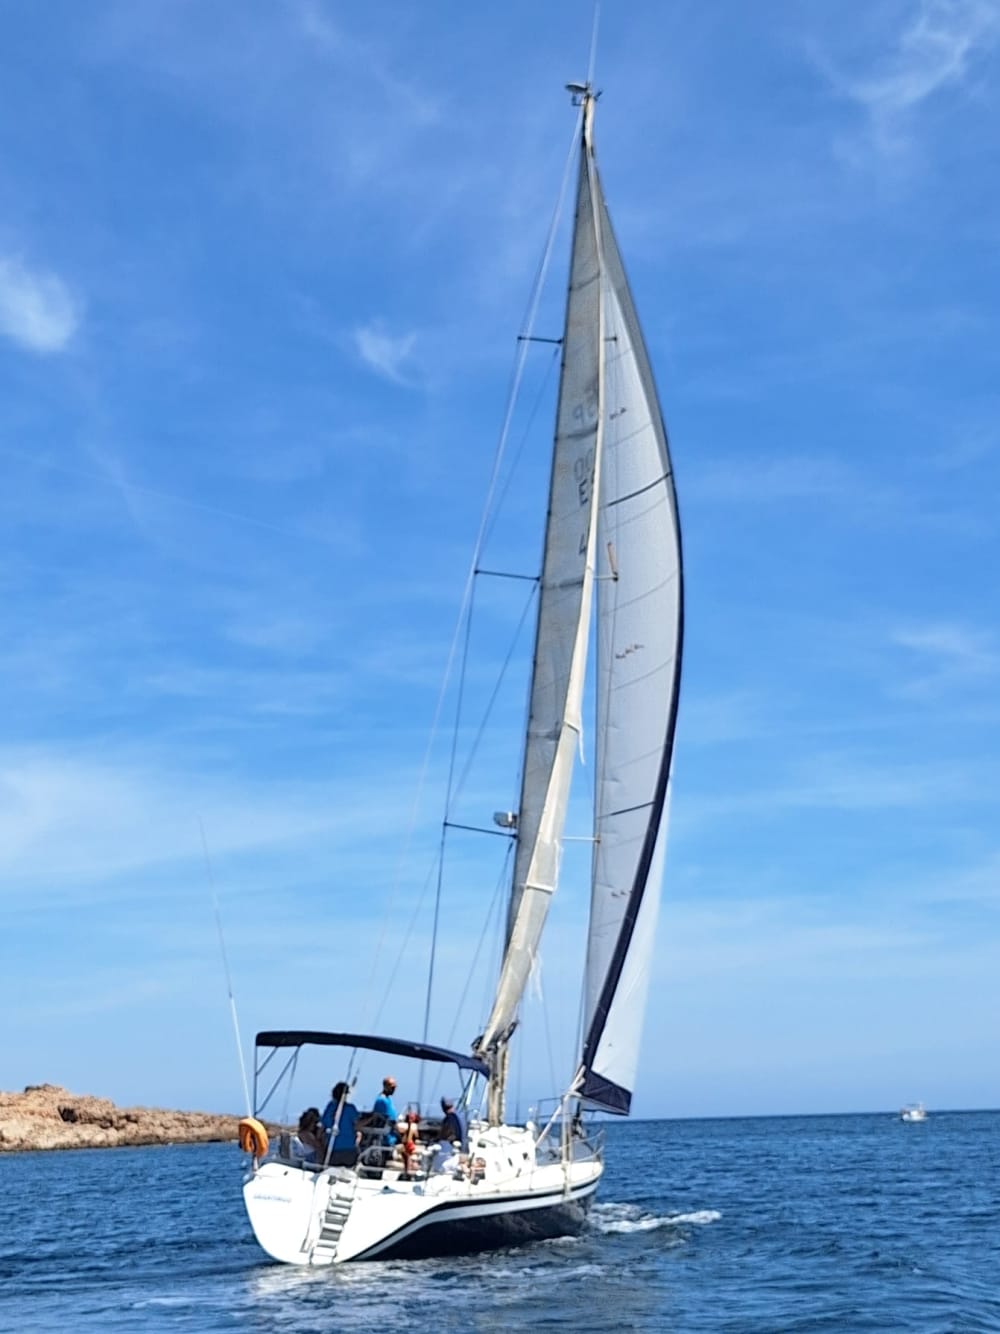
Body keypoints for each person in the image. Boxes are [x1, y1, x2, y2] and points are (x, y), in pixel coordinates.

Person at [321, 1081, 362, 1167]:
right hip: (348, 1148)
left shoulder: (329, 1108)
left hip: (332, 1148)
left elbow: (323, 1126)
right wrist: (372, 1118)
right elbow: (357, 1125)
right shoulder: (350, 1109)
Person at [369, 1075, 401, 1147]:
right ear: (385, 1086)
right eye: (392, 1088)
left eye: (395, 1088)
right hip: (386, 1139)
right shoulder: (382, 1101)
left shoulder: (388, 1098)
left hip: (392, 1137)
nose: (394, 1090)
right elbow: (387, 1120)